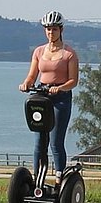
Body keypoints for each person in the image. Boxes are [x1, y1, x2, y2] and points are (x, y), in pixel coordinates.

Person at [18, 10, 79, 184]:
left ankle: (60, 177)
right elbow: (32, 76)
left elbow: (73, 81)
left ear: (61, 30)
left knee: (55, 141)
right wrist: (26, 84)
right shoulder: (38, 51)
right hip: (42, 96)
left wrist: (59, 88)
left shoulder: (69, 54)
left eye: (54, 29)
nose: (51, 33)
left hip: (61, 98)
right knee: (39, 140)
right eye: (48, 29)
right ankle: (38, 178)